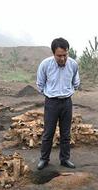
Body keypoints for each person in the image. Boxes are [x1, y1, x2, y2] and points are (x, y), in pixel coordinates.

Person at [36, 37, 80, 170]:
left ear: (68, 51)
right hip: (51, 103)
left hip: (67, 102)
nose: (62, 58)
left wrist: (68, 92)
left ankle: (65, 159)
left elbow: (76, 82)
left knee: (66, 133)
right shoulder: (45, 64)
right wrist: (50, 95)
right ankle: (44, 159)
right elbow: (40, 84)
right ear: (53, 53)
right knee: (48, 133)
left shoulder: (73, 64)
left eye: (65, 55)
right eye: (59, 56)